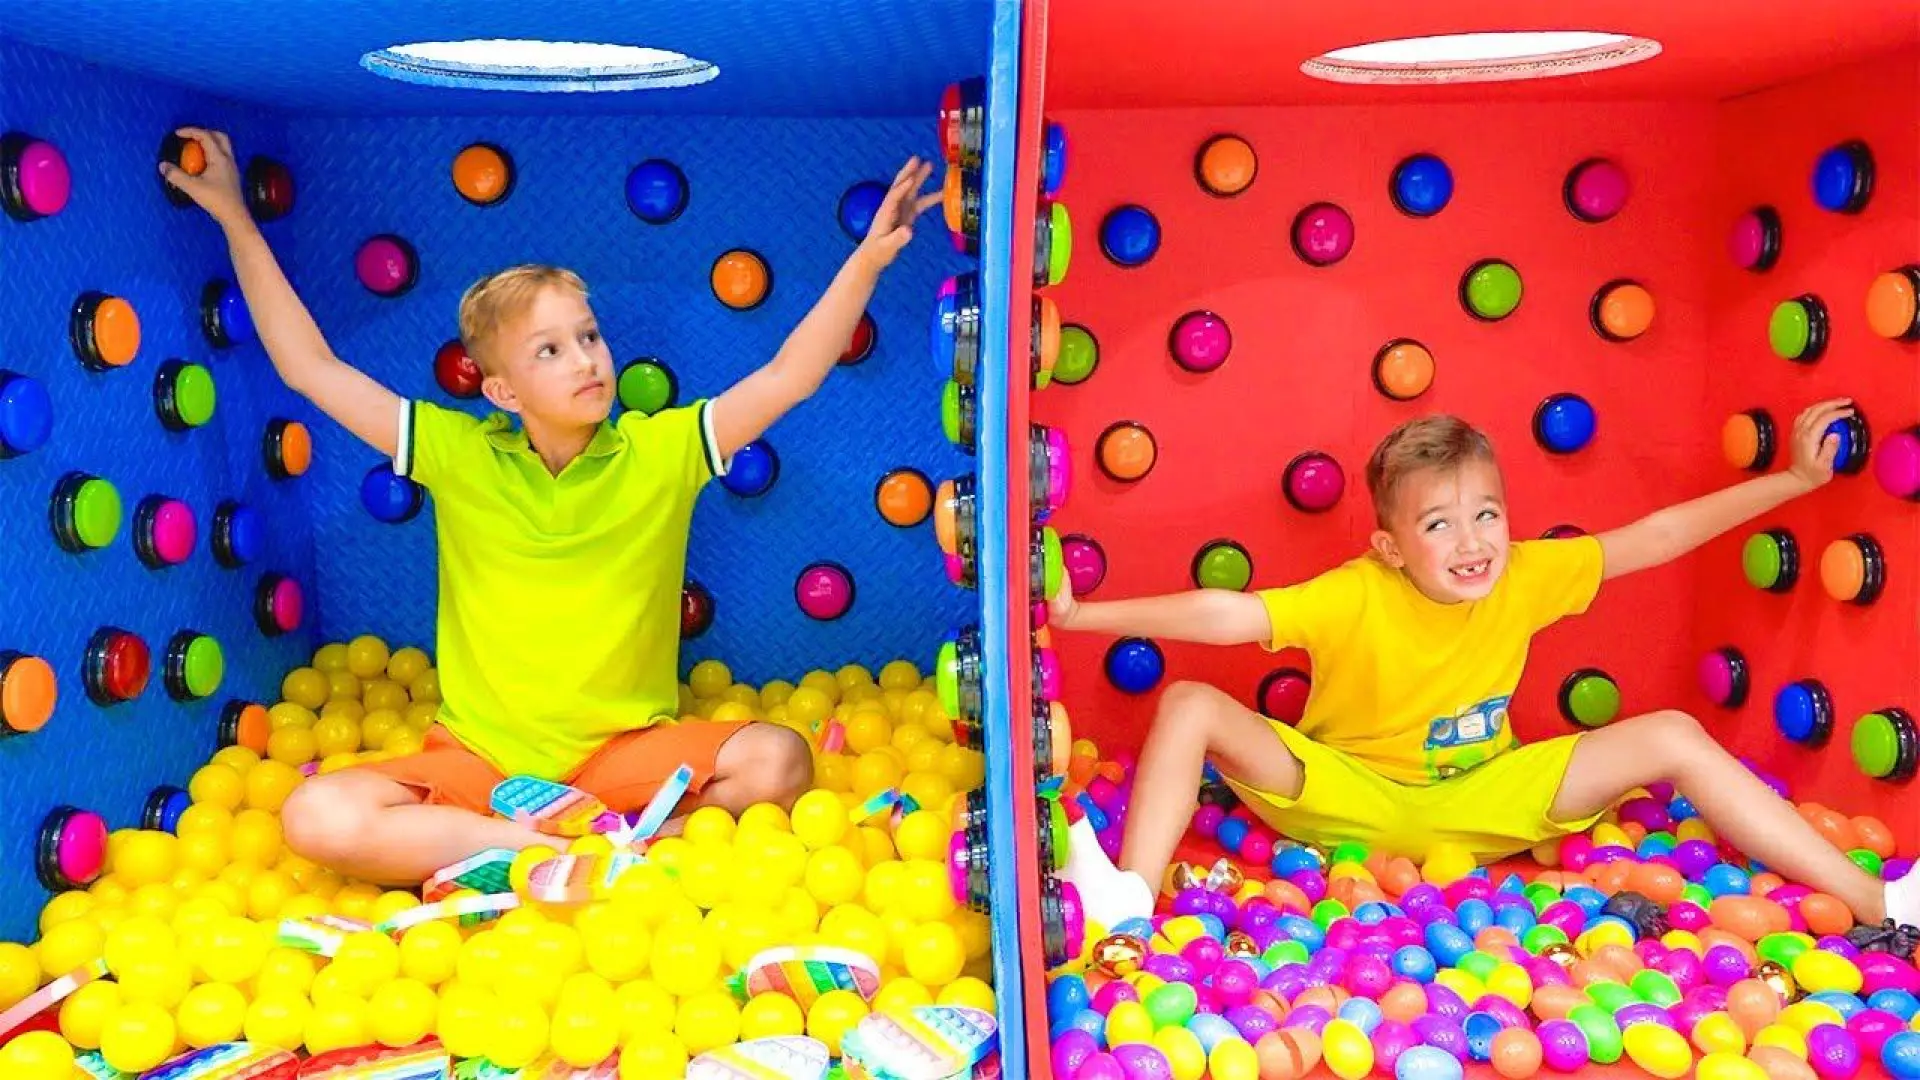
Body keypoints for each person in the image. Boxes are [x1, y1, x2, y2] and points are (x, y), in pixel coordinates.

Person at [161, 127, 941, 886]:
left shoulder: (661, 450)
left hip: (621, 756)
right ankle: (538, 846)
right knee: (314, 815)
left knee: (780, 760)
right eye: (550, 350)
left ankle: (590, 847)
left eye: (589, 337)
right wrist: (234, 216)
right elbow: (311, 367)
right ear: (502, 390)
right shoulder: (457, 452)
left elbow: (787, 377)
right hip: (483, 763)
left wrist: (867, 259)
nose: (586, 361)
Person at [1051, 401, 1920, 939]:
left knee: (1672, 732)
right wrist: (1087, 615)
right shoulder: (1356, 591)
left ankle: (1878, 903)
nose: (1472, 543)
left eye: (1487, 515)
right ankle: (1128, 901)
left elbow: (1656, 537)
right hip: (1347, 794)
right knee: (1191, 701)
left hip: (1484, 798)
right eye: (1439, 525)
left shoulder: (1526, 573)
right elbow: (1229, 614)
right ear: (1390, 547)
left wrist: (1794, 480)